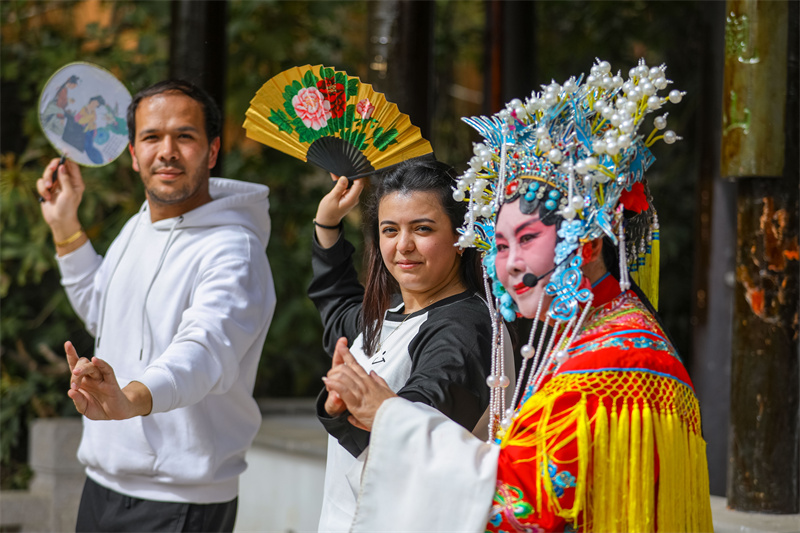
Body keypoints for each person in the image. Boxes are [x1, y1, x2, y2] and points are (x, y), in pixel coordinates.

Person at [321, 59, 714, 532]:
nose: (508, 264)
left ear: (585, 244)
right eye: (500, 245)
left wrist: (388, 416)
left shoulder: (610, 364)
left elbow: (520, 504)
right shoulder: (592, 337)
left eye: (527, 240)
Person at [36, 79, 276, 532]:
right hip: (103, 483)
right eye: (151, 137)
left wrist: (132, 398)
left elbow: (204, 353)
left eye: (184, 136)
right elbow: (104, 313)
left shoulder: (233, 250)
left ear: (212, 150)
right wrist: (65, 223)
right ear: (132, 153)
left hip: (182, 502)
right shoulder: (138, 226)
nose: (166, 151)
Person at [308, 159, 514, 531]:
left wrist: (344, 408)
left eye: (422, 228)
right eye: (390, 230)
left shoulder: (465, 328)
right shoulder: (391, 311)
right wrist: (328, 225)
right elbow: (338, 310)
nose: (403, 246)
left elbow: (414, 434)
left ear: (461, 237)